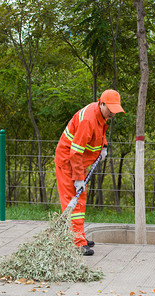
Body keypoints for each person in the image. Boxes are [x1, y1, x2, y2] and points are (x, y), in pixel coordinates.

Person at [54, 89, 125, 255]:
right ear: (101, 103)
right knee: (73, 200)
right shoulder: (88, 119)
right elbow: (75, 152)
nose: (113, 113)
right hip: (68, 162)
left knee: (80, 199)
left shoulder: (99, 114)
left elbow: (99, 132)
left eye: (115, 109)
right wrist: (78, 178)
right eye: (110, 109)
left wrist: (104, 146)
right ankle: (76, 243)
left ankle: (80, 237)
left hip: (78, 163)